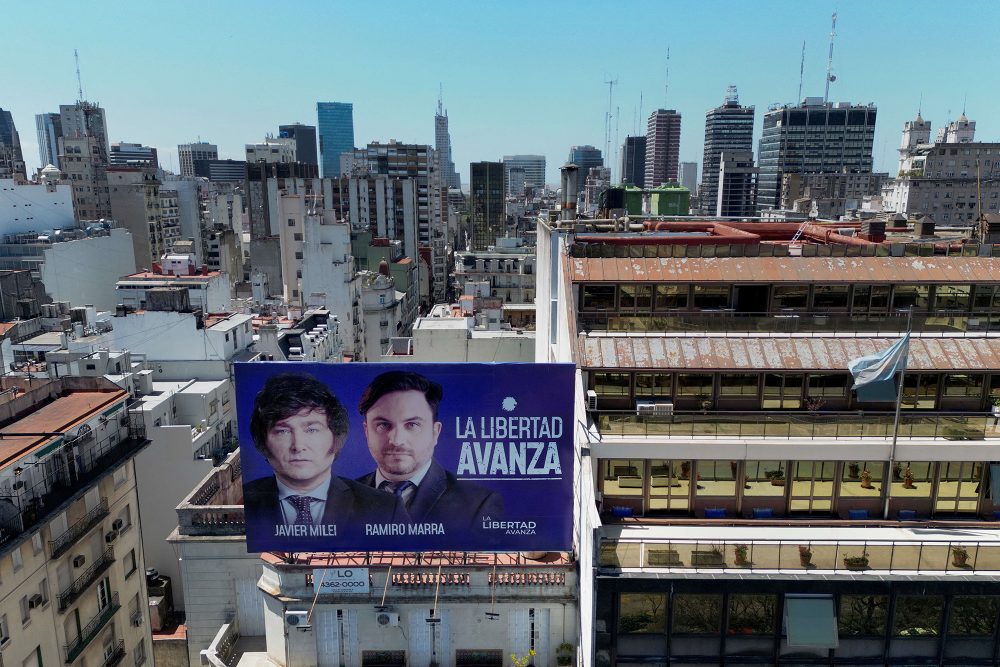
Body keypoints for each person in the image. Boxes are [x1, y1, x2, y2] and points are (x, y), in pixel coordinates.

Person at [244, 373, 403, 533]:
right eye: (283, 431)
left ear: (335, 438)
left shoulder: (386, 509)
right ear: (263, 442)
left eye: (312, 430)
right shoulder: (247, 502)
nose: (298, 446)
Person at [357, 370, 504, 527]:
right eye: (383, 425)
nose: (397, 440)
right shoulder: (336, 498)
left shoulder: (478, 505)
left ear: (435, 432)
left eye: (412, 425)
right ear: (366, 431)